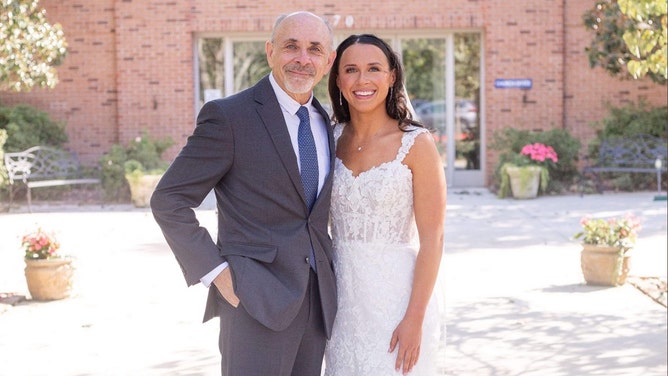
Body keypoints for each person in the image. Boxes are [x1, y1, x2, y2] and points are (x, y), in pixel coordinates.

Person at [150, 11, 338, 376]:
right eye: (291, 46)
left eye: (315, 49)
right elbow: (169, 200)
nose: (303, 58)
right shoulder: (229, 116)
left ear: (328, 61)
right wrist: (216, 271)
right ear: (270, 52)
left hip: (316, 301)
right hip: (254, 299)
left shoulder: (325, 120)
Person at [324, 34, 447, 375]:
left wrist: (414, 318)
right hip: (341, 304)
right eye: (351, 70)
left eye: (374, 69)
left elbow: (433, 240)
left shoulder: (417, 144)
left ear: (392, 76)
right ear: (338, 80)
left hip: (397, 301)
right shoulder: (326, 139)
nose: (362, 80)